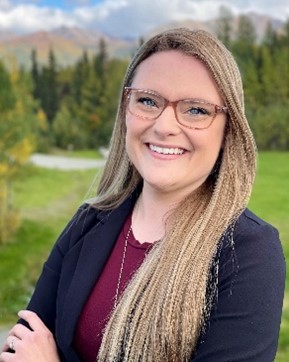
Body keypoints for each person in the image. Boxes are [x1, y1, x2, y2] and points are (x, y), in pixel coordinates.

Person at [0, 28, 285, 362]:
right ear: (126, 110)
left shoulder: (249, 252)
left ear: (228, 129)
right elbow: (21, 345)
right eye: (148, 101)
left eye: (196, 110)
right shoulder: (89, 222)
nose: (164, 126)